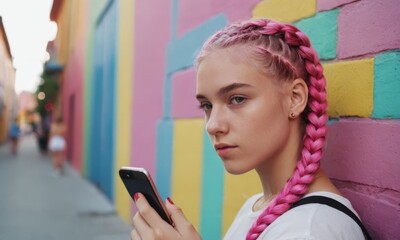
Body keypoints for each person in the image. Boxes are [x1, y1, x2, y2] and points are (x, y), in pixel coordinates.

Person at [131, 18, 370, 240]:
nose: (213, 125)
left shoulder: (310, 230)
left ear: (295, 98)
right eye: (206, 105)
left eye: (237, 99)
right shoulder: (257, 206)